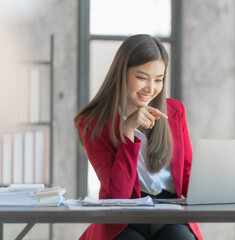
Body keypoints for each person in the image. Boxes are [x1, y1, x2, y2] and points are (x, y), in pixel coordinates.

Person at [74, 34, 203, 240]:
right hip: (123, 219)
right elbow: (118, 195)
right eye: (142, 77)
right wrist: (127, 131)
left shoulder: (174, 111)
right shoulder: (93, 122)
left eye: (158, 79)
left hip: (170, 215)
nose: (150, 88)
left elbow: (188, 178)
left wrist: (223, 189)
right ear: (121, 74)